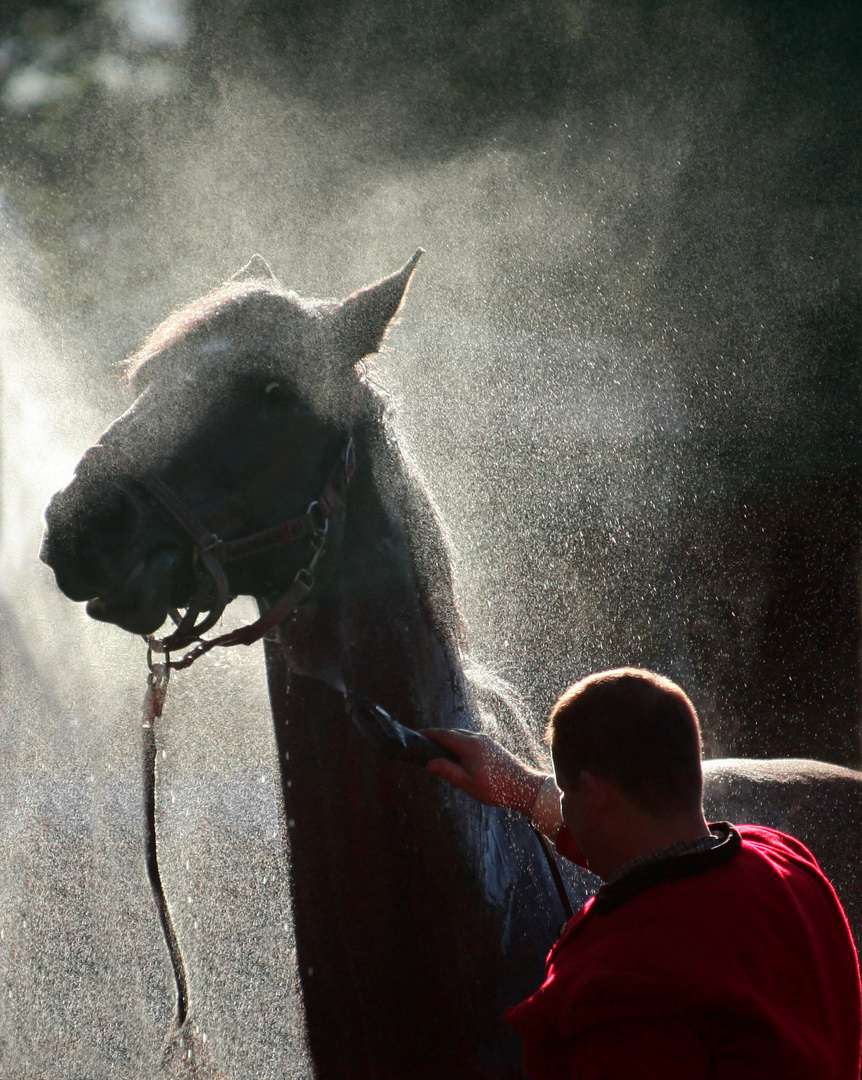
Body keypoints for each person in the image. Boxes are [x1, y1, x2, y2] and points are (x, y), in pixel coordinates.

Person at [425, 667, 862, 1080]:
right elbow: (657, 859)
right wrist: (523, 788)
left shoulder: (619, 980)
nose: (564, 806)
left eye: (564, 791)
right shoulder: (785, 862)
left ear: (596, 794)